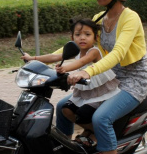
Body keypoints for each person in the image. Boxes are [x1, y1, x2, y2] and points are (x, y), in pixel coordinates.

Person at [63, 0, 147, 154]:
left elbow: (117, 54)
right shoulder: (99, 18)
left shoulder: (130, 18)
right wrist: (40, 60)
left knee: (102, 118)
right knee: (63, 105)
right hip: (109, 78)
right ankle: (70, 153)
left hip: (133, 83)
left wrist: (85, 72)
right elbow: (82, 47)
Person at [21, 18, 120, 146]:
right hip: (86, 91)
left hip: (100, 92)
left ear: (95, 38)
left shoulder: (94, 52)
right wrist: (33, 59)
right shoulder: (76, 51)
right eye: (78, 35)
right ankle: (89, 130)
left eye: (87, 34)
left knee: (84, 114)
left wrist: (65, 68)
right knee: (66, 109)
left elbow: (82, 62)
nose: (82, 38)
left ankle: (99, 133)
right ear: (72, 38)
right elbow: (54, 56)